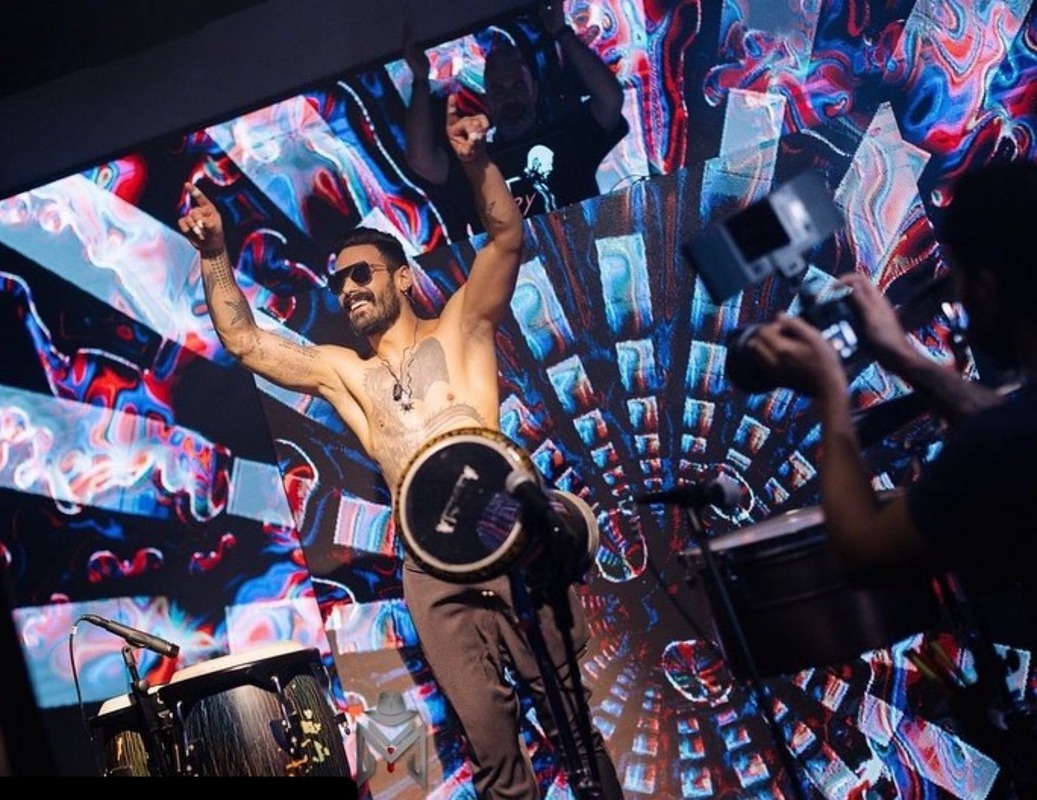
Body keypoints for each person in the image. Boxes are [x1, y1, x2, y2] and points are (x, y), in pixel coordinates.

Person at [179, 93, 623, 799]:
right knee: (492, 749)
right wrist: (214, 256)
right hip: (430, 568)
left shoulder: (460, 329)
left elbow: (506, 240)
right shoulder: (345, 374)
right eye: (339, 282)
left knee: (572, 727)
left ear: (402, 277)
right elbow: (246, 342)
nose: (349, 288)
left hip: (509, 536)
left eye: (362, 273)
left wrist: (476, 163)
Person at [744, 160, 1037, 797]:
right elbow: (1002, 427)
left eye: (959, 278)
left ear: (988, 286)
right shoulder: (1014, 427)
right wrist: (899, 354)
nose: (956, 297)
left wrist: (830, 392)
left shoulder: (997, 444)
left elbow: (863, 552)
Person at [404, 0, 629, 239]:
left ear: (534, 91)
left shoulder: (567, 138)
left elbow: (611, 99)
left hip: (579, 257)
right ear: (488, 100)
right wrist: (420, 80)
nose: (510, 98)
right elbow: (422, 160)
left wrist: (562, 33)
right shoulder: (476, 160)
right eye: (498, 90)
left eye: (517, 86)